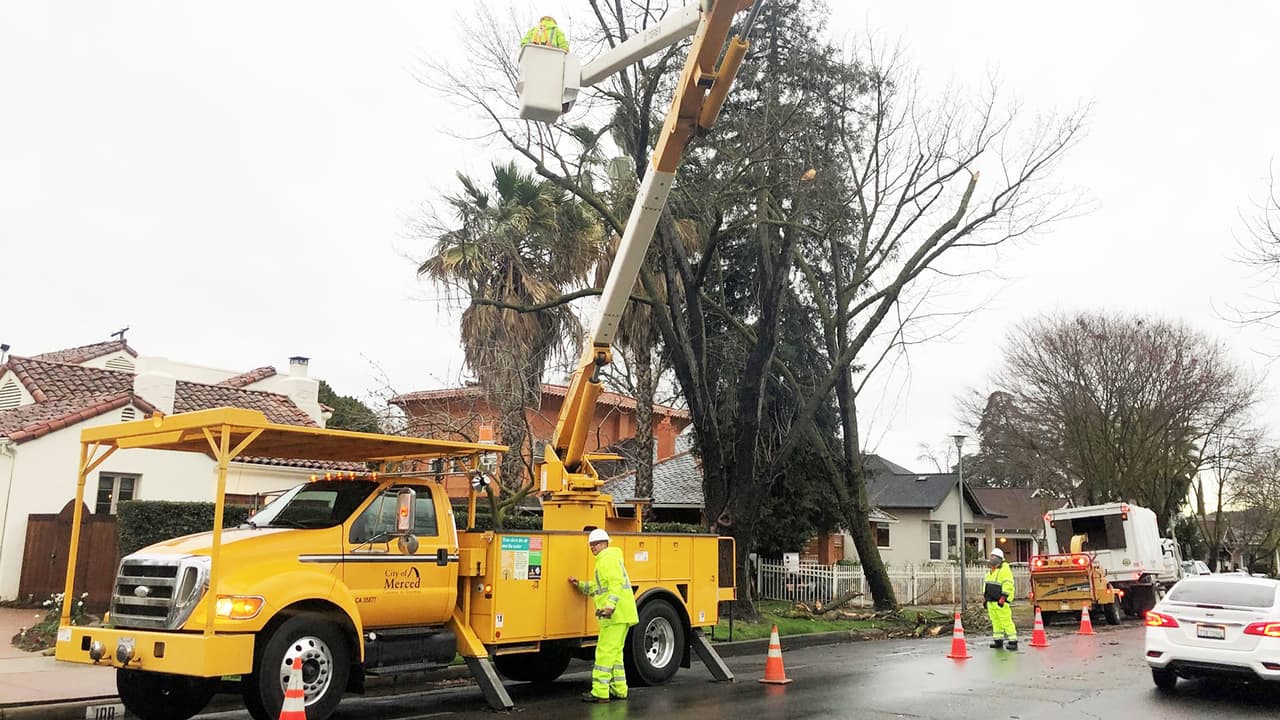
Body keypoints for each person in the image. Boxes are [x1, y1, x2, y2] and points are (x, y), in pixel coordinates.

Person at [568, 528, 638, 703]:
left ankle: (600, 692)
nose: (592, 547)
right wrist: (581, 585)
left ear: (605, 543)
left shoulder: (607, 559)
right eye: (591, 545)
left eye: (595, 544)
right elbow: (599, 588)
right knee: (615, 653)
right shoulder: (609, 558)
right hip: (622, 614)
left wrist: (609, 606)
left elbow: (615, 583)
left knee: (604, 652)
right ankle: (619, 689)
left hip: (614, 615)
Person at [984, 548, 1018, 650]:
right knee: (995, 621)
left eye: (993, 556)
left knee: (1006, 621)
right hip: (991, 601)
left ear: (999, 558)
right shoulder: (991, 571)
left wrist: (1004, 597)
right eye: (991, 556)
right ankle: (998, 640)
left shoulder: (1004, 570)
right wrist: (985, 598)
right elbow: (987, 585)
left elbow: (1008, 584)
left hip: (1000, 601)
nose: (991, 558)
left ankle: (1013, 641)